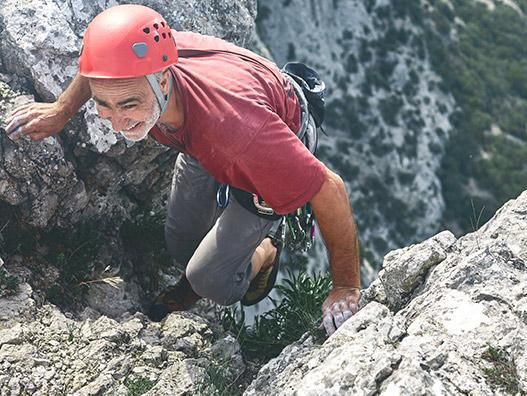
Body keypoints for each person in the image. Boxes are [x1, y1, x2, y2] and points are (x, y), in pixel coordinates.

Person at [4, 4, 361, 335]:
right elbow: (99, 72)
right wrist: (61, 110)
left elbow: (330, 188)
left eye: (129, 104)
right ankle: (199, 266)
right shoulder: (145, 66)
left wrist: (345, 285)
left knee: (210, 281)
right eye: (104, 106)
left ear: (162, 82)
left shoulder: (237, 134)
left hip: (262, 155)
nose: (117, 121)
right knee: (180, 243)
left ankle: (266, 250)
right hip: (200, 139)